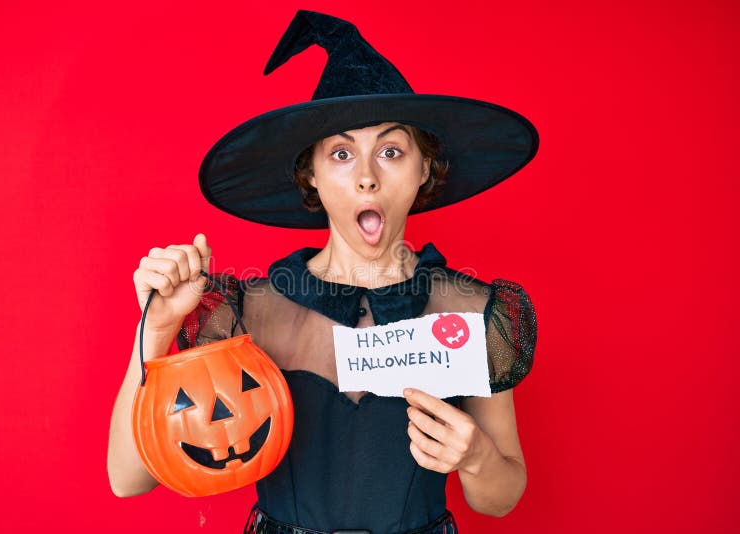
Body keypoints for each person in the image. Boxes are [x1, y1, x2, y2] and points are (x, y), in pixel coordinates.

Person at [107, 10, 538, 534]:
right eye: (340, 153)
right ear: (311, 173)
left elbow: (502, 497)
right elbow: (128, 479)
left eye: (391, 151)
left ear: (423, 169)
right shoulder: (248, 311)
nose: (366, 178)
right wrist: (156, 330)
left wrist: (476, 458)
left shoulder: (472, 313)